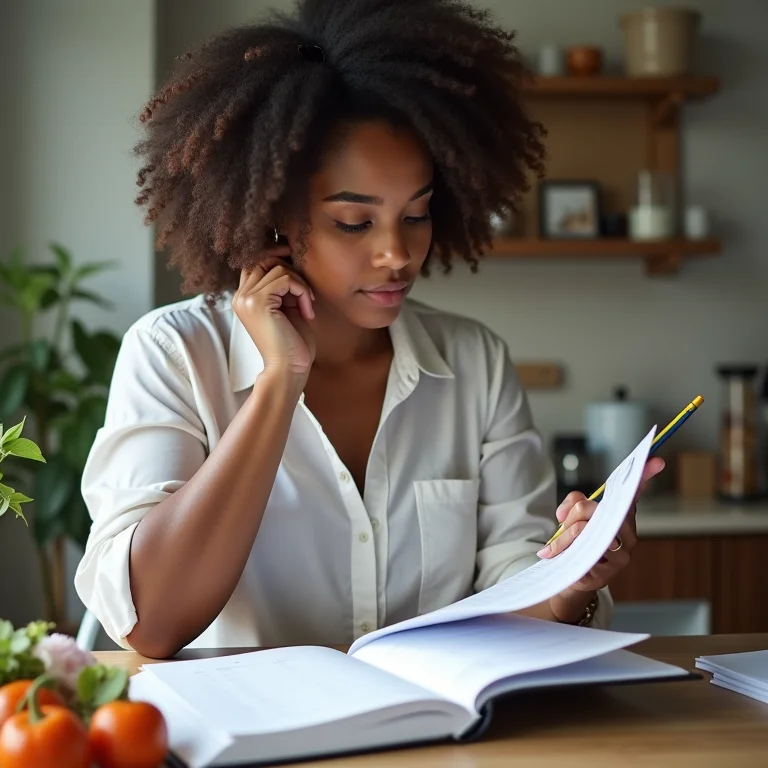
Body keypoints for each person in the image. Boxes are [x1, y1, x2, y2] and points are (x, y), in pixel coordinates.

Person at [75, 0, 663, 659]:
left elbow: (512, 584)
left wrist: (568, 582)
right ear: (273, 218)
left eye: (416, 214)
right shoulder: (173, 354)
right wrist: (277, 384)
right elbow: (150, 622)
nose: (398, 253)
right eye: (355, 222)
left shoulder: (474, 362)